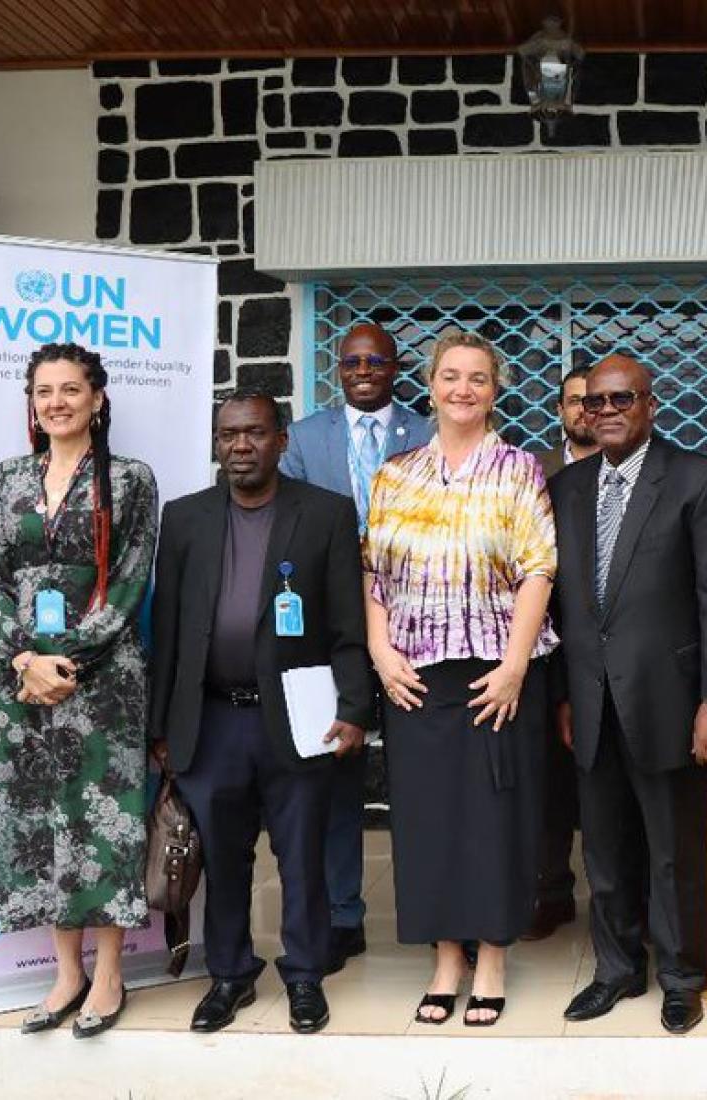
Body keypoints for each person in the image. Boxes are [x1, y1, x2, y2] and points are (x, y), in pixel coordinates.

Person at [150, 390, 372, 1036]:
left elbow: (346, 622)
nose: (240, 445)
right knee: (222, 858)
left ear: (281, 441)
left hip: (298, 717)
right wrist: (160, 727)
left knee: (301, 852)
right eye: (228, 435)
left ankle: (304, 975)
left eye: (254, 433)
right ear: (216, 444)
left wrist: (356, 707)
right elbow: (167, 630)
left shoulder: (326, 514)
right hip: (211, 720)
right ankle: (230, 973)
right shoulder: (185, 518)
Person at [551, 353, 707, 1035]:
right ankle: (615, 970)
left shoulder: (698, 479)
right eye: (595, 403)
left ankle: (680, 976)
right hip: (591, 701)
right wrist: (565, 696)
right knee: (605, 850)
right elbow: (562, 604)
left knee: (674, 853)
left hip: (673, 703)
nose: (606, 412)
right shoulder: (569, 486)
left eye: (622, 400)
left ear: (649, 405)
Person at [362, 331, 557, 1028]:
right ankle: (447, 958)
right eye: (451, 376)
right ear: (431, 384)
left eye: (477, 378)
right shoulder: (397, 473)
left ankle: (493, 957)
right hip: (414, 677)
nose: (463, 389)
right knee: (428, 820)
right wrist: (381, 652)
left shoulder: (520, 470)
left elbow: (538, 568)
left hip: (494, 673)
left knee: (494, 819)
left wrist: (512, 664)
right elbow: (373, 573)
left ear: (495, 389)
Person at [0, 342, 158, 1039]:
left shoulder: (131, 480)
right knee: (39, 823)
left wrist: (66, 661)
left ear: (97, 399)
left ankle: (109, 975)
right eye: (44, 391)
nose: (57, 402)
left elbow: (131, 579)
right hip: (18, 680)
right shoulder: (8, 478)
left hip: (103, 679)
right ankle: (66, 973)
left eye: (71, 390)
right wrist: (24, 658)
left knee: (101, 824)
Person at [278, 321, 434, 970]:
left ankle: (436, 912)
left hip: (419, 631)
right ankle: (344, 915)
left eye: (376, 360)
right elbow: (285, 526)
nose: (364, 369)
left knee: (427, 776)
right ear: (336, 369)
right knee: (335, 775)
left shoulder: (427, 435)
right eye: (352, 361)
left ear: (396, 367)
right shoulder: (307, 438)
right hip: (333, 634)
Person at [524, 365, 599, 942]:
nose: (585, 410)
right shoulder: (534, 473)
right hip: (549, 646)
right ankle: (551, 891)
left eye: (594, 400)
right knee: (549, 780)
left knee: (609, 774)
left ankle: (621, 894)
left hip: (612, 646)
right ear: (560, 411)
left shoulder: (635, 468)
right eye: (574, 401)